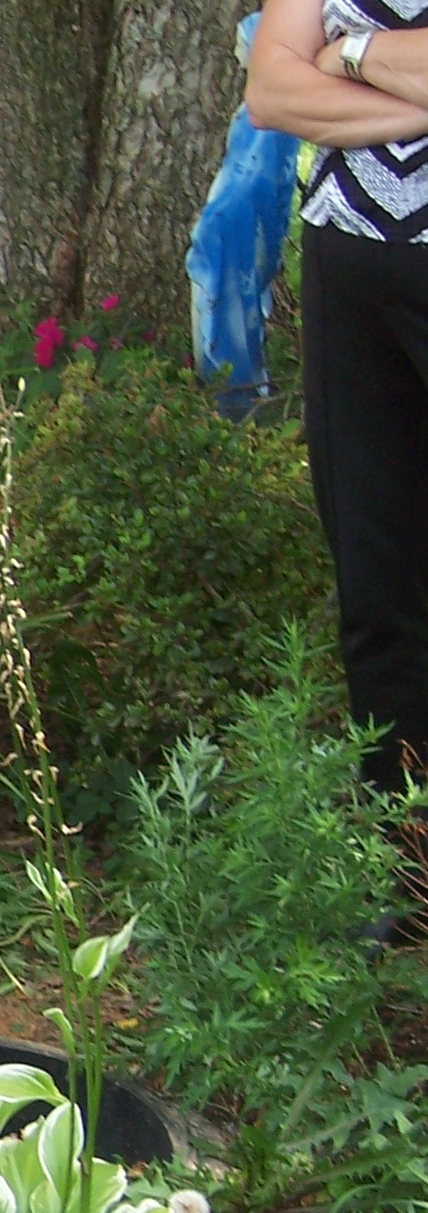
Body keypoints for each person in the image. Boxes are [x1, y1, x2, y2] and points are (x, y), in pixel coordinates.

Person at [249, 2, 428, 798]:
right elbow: (273, 92)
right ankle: (404, 862)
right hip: (350, 272)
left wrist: (347, 51)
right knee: (378, 583)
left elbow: (310, 73)